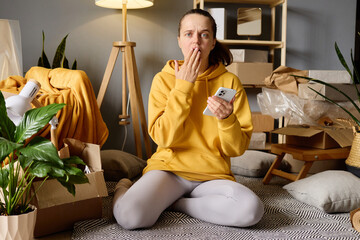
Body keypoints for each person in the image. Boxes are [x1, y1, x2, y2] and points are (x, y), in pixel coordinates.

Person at [112, 8, 264, 230]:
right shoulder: (163, 79)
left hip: (213, 175)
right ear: (179, 41)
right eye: (189, 34)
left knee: (252, 210)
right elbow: (163, 137)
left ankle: (178, 204)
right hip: (169, 170)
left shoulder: (230, 82)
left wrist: (227, 119)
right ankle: (122, 188)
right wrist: (183, 87)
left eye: (204, 34)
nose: (196, 41)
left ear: (212, 42)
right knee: (129, 217)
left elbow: (236, 149)